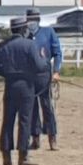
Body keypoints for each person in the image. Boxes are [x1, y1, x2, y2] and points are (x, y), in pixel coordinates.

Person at [0, 17, 48, 165]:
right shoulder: (30, 45)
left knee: (7, 120)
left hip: (10, 85)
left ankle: (6, 155)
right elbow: (39, 65)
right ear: (23, 29)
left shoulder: (2, 45)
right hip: (26, 86)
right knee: (25, 120)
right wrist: (43, 58)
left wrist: (7, 73)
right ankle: (23, 155)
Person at [26, 8, 62, 151]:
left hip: (44, 76)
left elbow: (57, 53)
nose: (31, 22)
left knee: (47, 106)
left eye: (33, 19)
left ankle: (52, 137)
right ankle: (35, 138)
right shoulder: (25, 35)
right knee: (32, 107)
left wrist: (56, 71)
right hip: (29, 76)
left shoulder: (48, 33)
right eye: (29, 19)